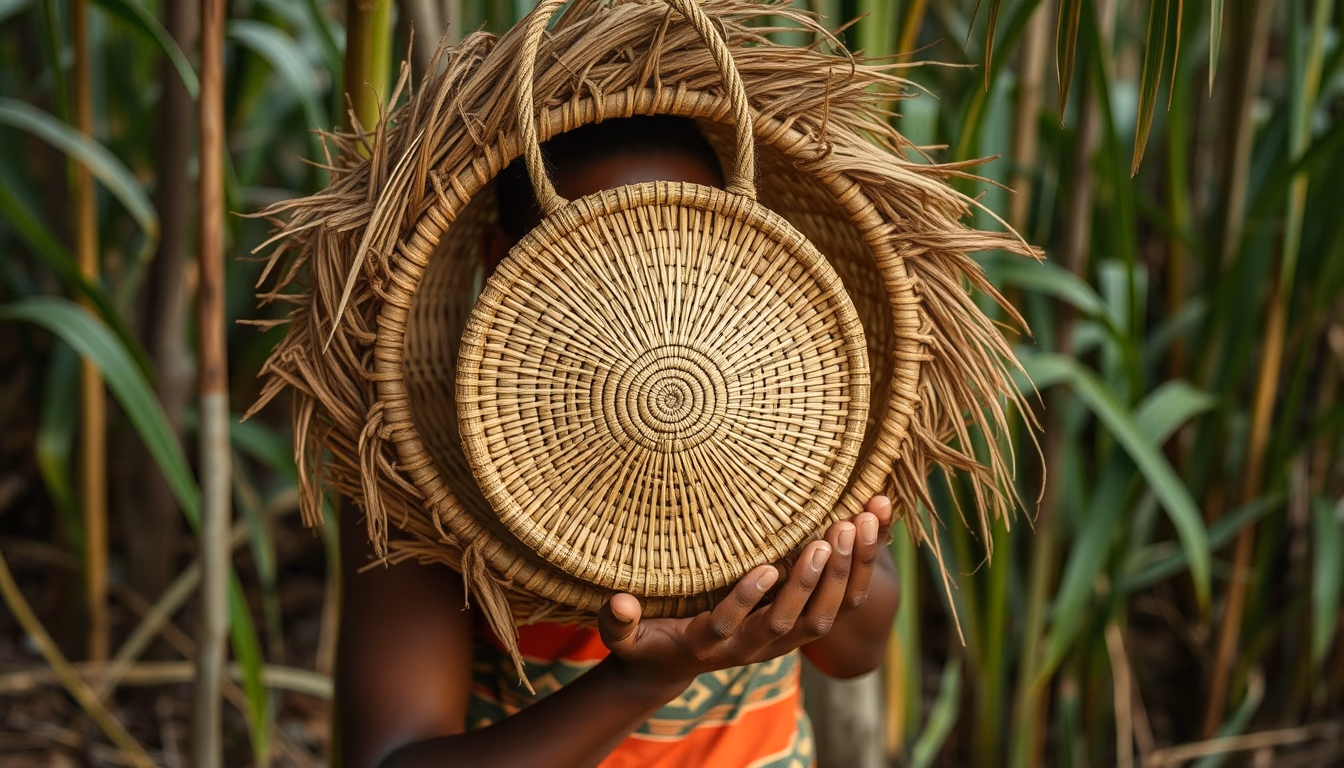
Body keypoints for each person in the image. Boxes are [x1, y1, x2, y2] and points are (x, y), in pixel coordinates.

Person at [334, 116, 900, 768]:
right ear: (500, 260)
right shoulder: (423, 468)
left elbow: (857, 655)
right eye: (600, 263)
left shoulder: (794, 410)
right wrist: (642, 681)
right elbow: (391, 757)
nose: (652, 298)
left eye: (688, 249)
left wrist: (821, 551)